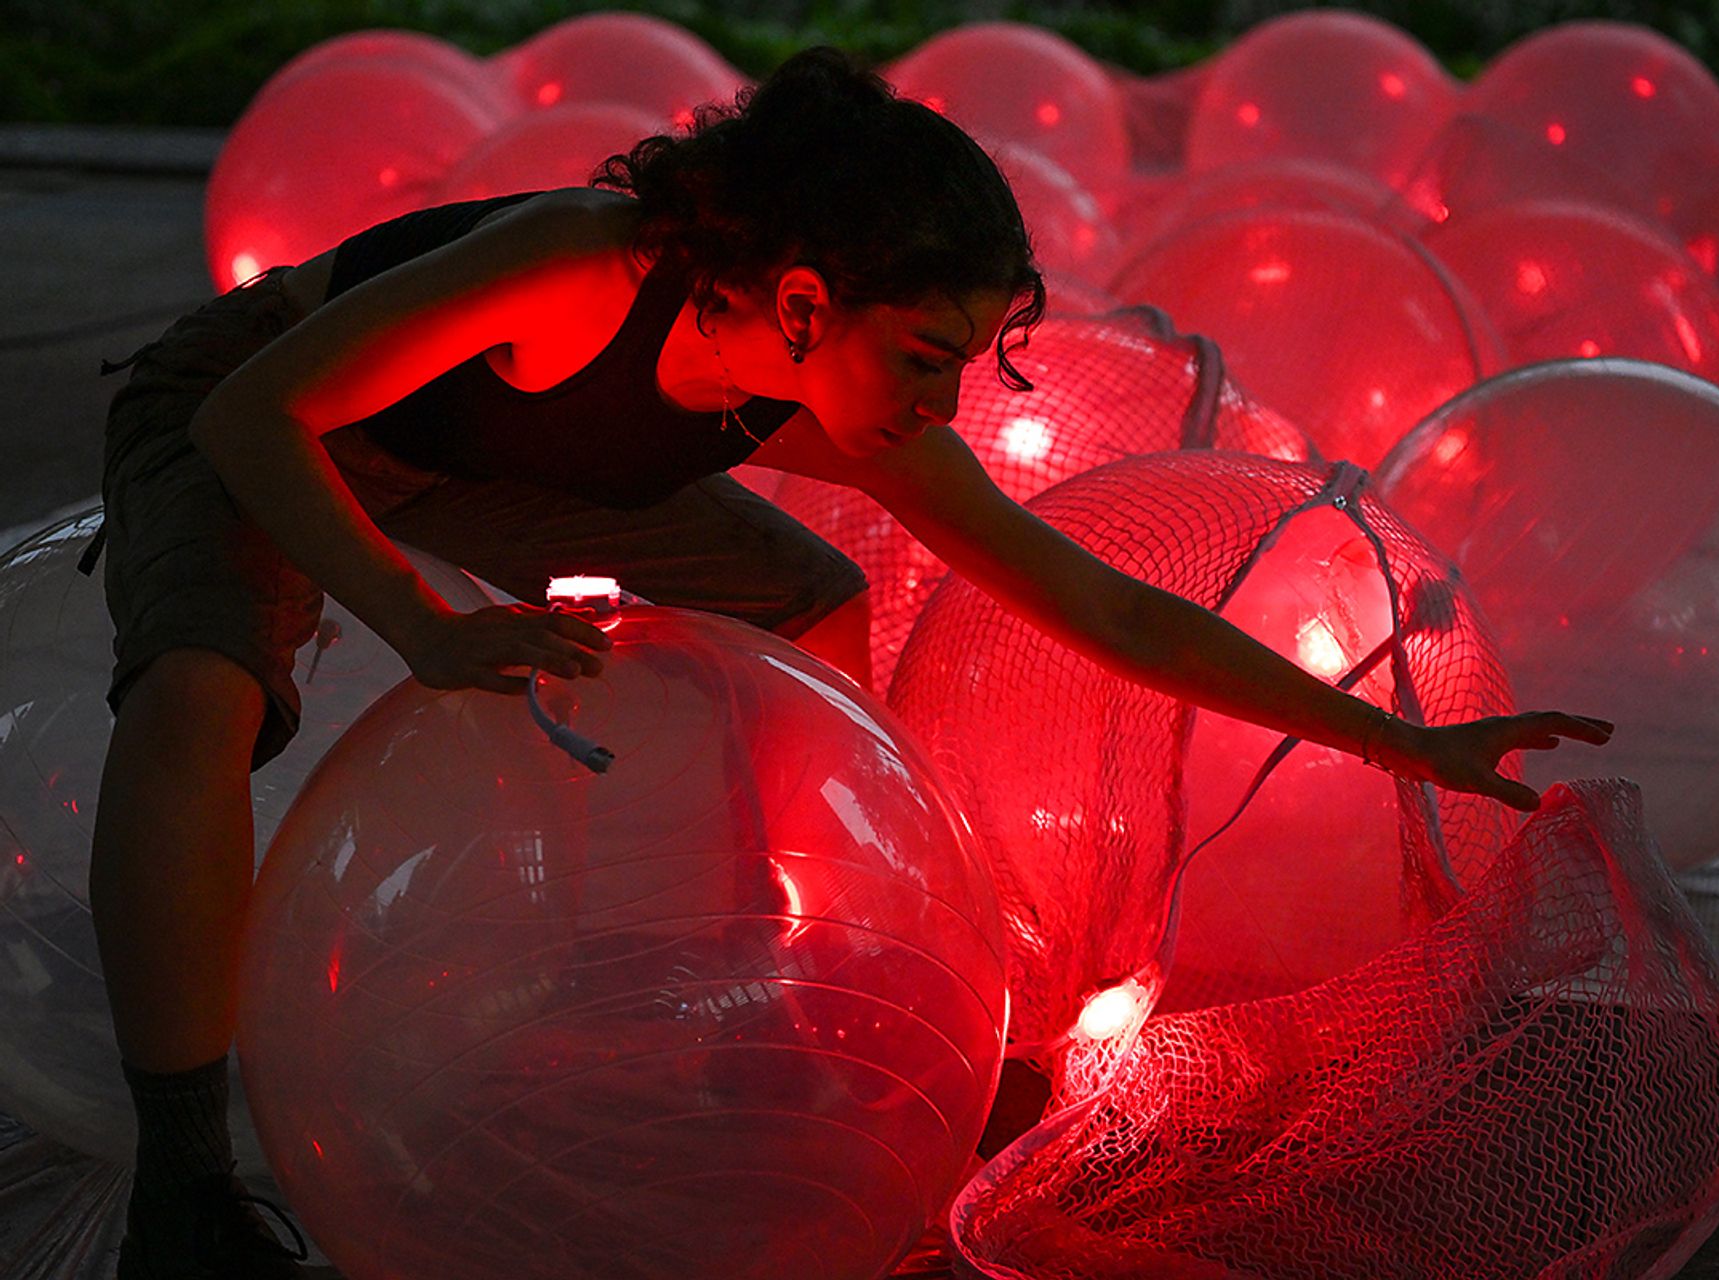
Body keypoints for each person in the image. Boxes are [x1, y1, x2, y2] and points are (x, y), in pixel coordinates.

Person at [87, 45, 1610, 1280]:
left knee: (807, 597)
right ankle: (185, 1182)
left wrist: (1402, 745)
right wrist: (411, 620)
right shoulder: (575, 271)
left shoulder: (834, 393)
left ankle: (765, 969)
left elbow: (1110, 608)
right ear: (805, 300)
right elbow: (254, 422)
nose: (945, 403)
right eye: (929, 358)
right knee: (201, 693)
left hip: (477, 462)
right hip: (258, 410)